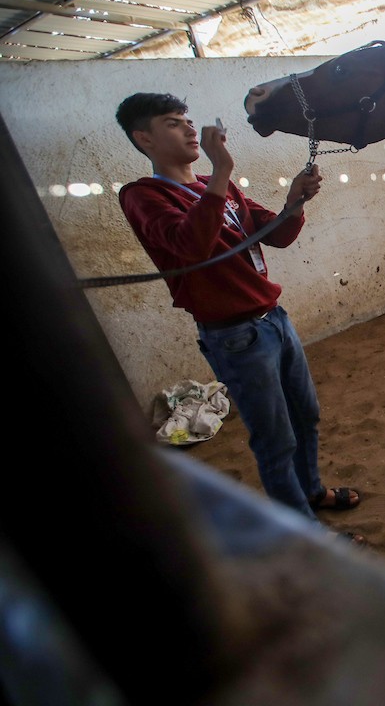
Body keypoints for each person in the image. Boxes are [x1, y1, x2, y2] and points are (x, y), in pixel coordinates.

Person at [115, 92, 364, 544]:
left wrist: (294, 200)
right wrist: (224, 171)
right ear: (144, 138)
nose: (191, 129)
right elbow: (189, 245)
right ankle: (304, 537)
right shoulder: (143, 195)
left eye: (189, 119)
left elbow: (280, 234)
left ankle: (309, 493)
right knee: (275, 438)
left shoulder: (219, 186)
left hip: (273, 320)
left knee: (304, 415)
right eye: (174, 123)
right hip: (235, 335)